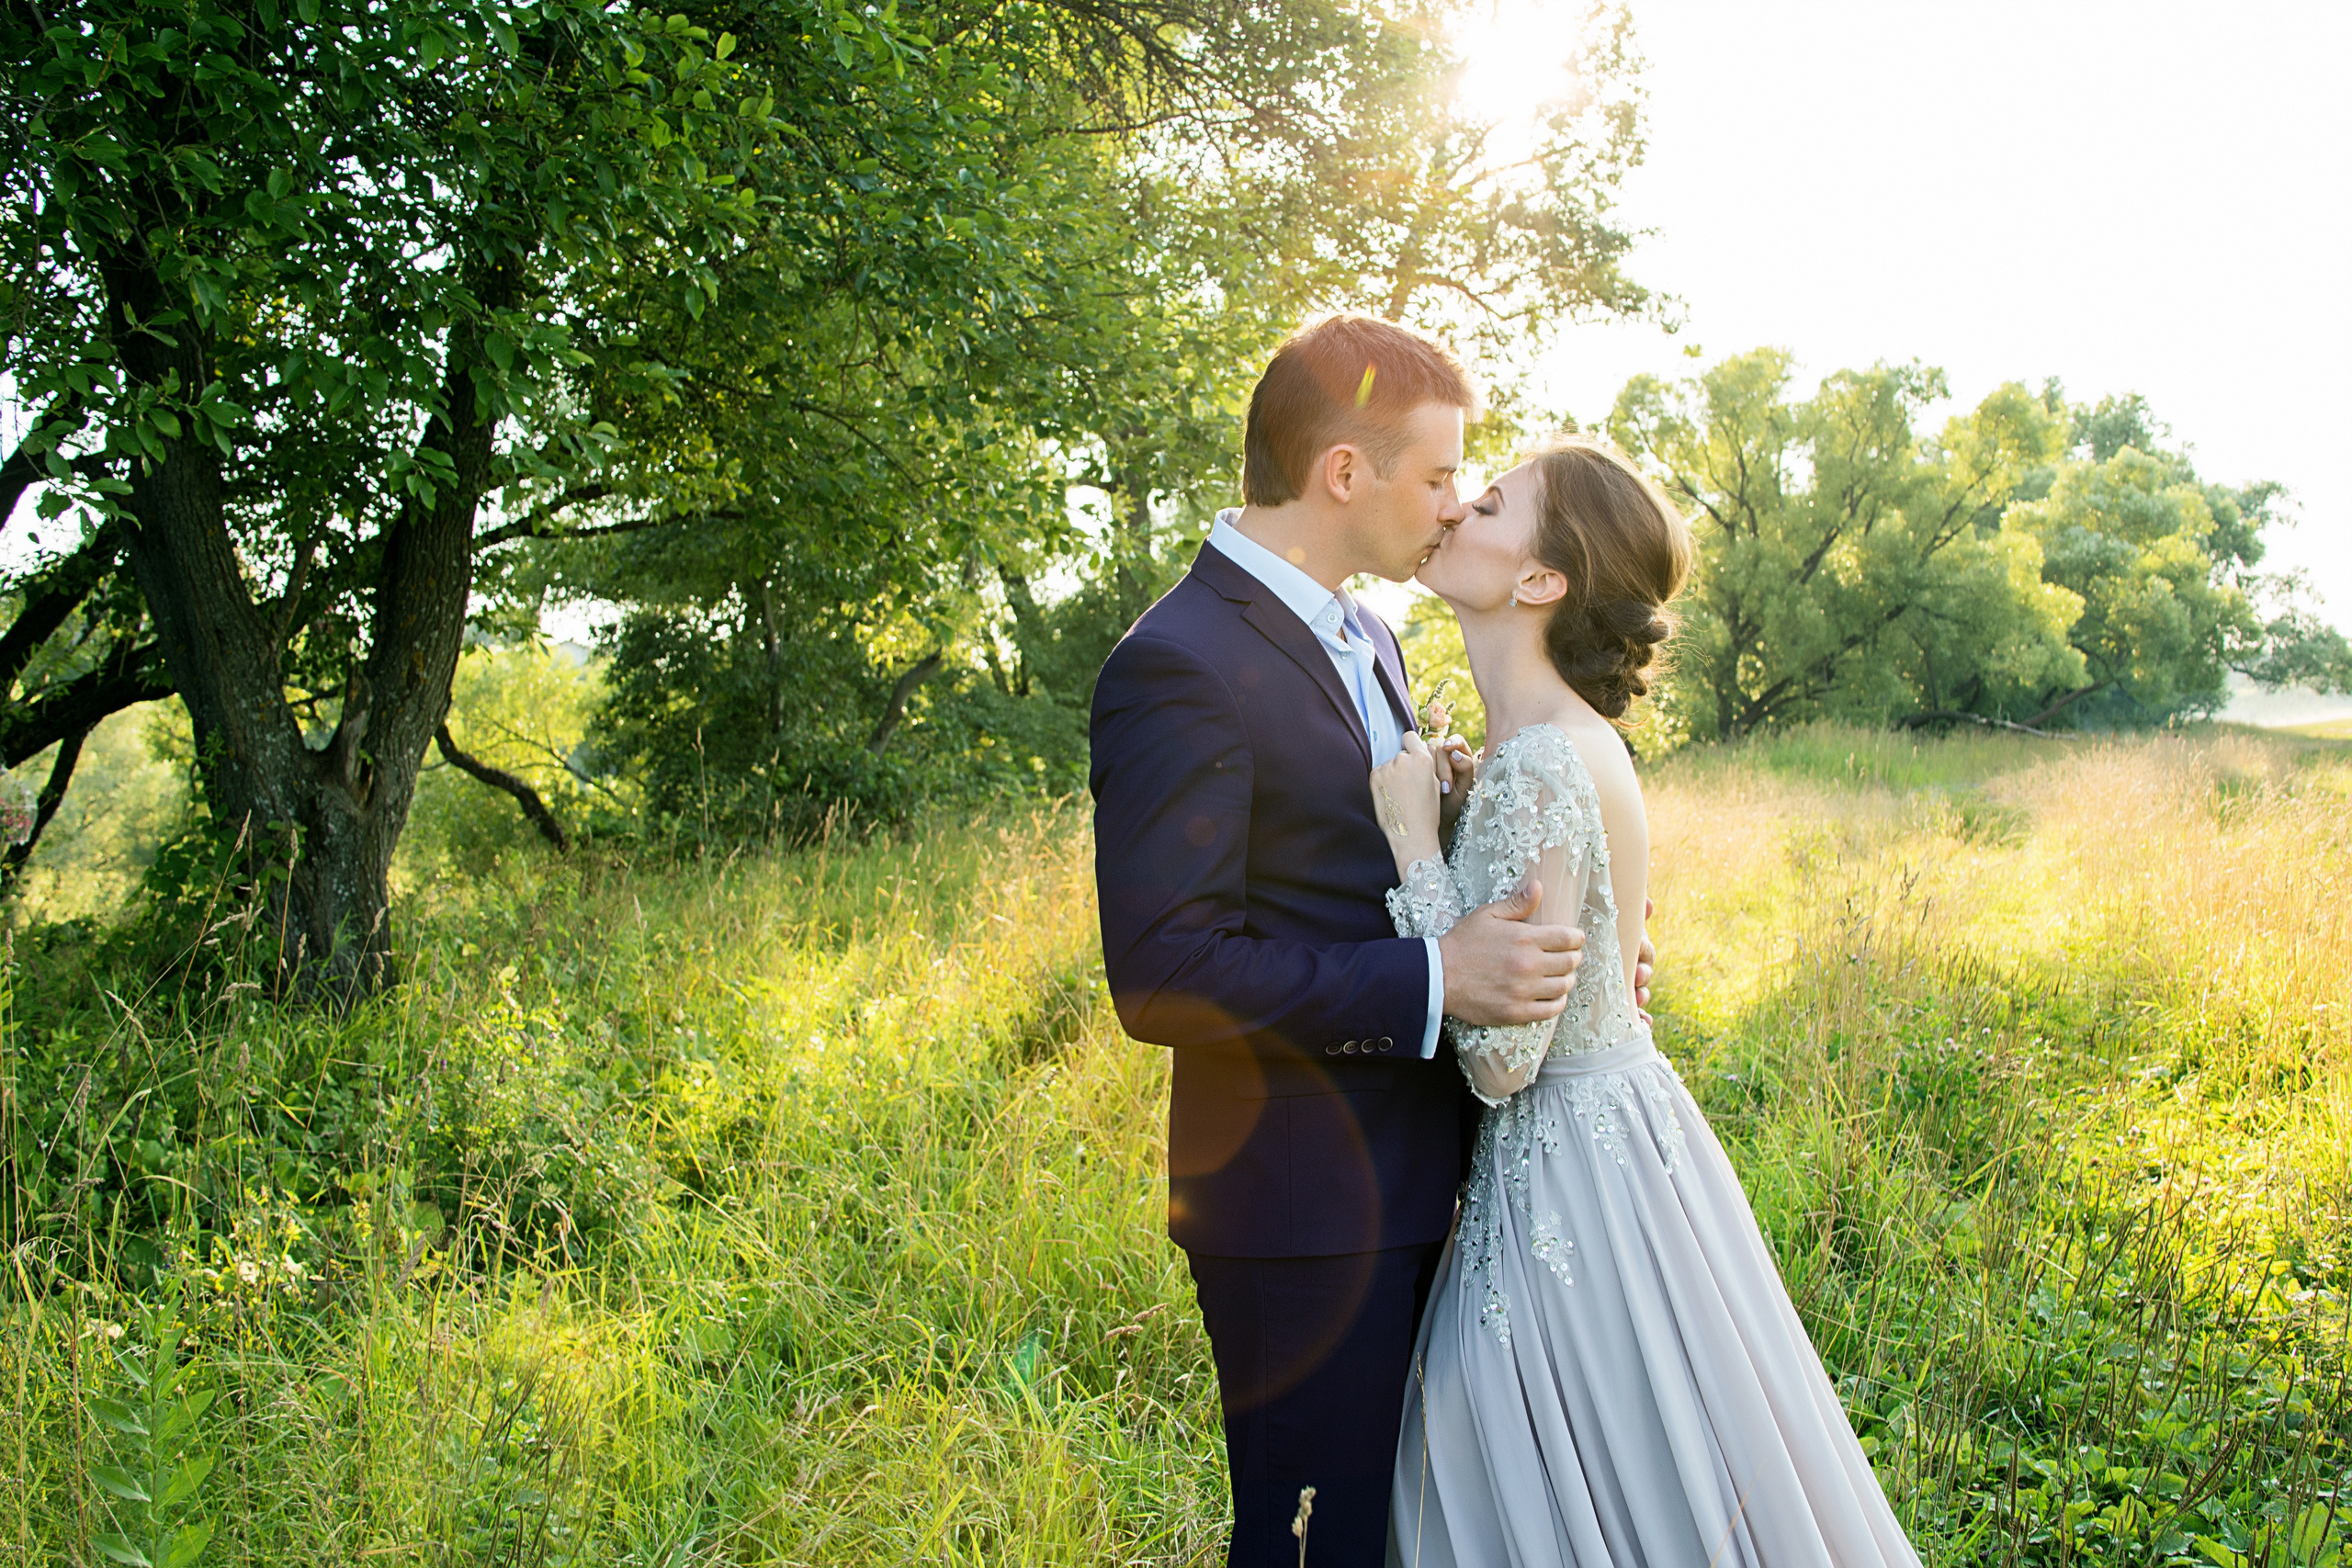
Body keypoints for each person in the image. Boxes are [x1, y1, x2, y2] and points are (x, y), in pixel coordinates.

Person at [1090, 315, 1650, 1566]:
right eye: (1441, 475)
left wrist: (1557, 954)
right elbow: (1165, 973)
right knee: (1312, 1544)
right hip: (1300, 1212)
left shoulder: (1372, 636)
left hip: (1436, 1178)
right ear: (1344, 472)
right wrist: (1440, 977)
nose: (1454, 505)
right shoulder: (1179, 663)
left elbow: (1366, 868)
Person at [1373, 434, 1922, 1565]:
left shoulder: (1541, 761)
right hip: (1618, 1135)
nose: (1456, 510)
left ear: (1540, 580)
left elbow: (1501, 1063)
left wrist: (1414, 842)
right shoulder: (1559, 746)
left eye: (1489, 503)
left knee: (1501, 1463)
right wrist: (1463, 823)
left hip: (1566, 1166)